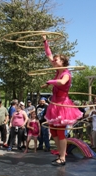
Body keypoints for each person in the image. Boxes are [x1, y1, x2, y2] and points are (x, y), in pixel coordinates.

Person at [40, 34, 83, 166]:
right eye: (54, 60)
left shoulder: (66, 73)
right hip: (54, 104)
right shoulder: (56, 71)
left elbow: (61, 82)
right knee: (53, 132)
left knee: (60, 132)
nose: (53, 61)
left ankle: (63, 157)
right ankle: (60, 154)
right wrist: (45, 41)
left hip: (63, 105)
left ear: (63, 62)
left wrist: (50, 81)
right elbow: (48, 54)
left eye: (56, 60)